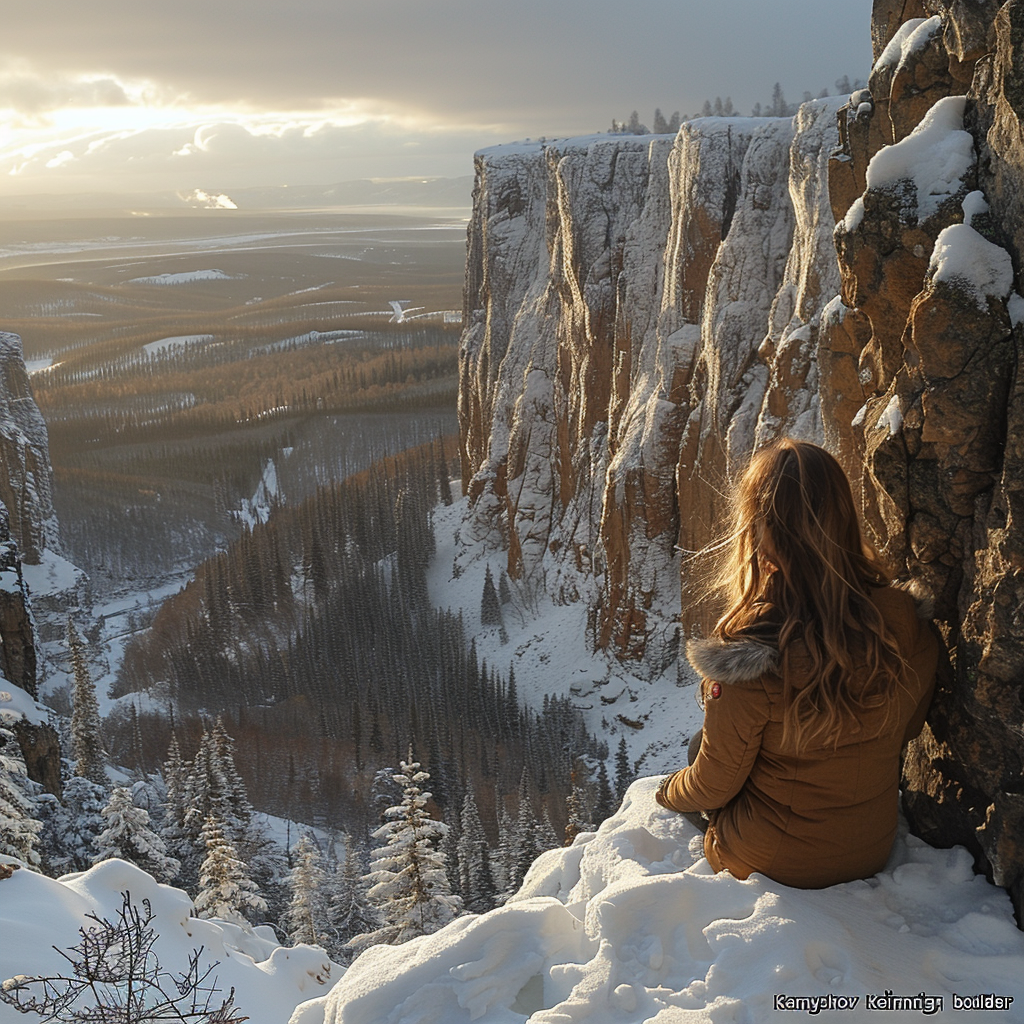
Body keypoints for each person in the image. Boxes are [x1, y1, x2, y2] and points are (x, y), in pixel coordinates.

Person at [656, 439, 941, 889]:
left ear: (760, 534)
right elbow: (904, 729)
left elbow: (713, 786)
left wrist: (666, 792)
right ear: (845, 517)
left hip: (770, 861)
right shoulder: (902, 621)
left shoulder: (754, 651)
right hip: (871, 846)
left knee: (699, 752)